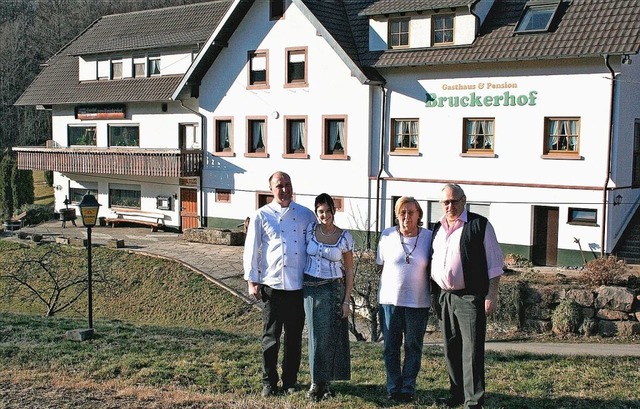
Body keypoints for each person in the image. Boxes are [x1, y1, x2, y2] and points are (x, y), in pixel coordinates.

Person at [430, 183, 504, 409]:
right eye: (446, 202)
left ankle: (473, 401)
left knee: (471, 351)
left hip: (470, 297)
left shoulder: (479, 225)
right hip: (444, 296)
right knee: (451, 348)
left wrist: (491, 295)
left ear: (464, 200)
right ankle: (456, 394)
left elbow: (495, 264)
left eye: (454, 201)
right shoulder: (437, 228)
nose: (450, 205)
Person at [243, 171, 316, 397]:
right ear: (271, 190)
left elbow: (314, 246)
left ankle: (290, 381)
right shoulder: (261, 215)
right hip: (272, 286)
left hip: (297, 286)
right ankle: (269, 382)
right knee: (270, 338)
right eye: (279, 186)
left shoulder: (306, 215)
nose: (284, 189)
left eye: (287, 184)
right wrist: (252, 280)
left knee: (294, 338)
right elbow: (251, 249)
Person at [376, 196, 433, 403]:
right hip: (390, 301)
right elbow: (380, 265)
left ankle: (408, 387)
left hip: (417, 302)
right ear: (396, 215)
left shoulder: (429, 237)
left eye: (411, 212)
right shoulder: (387, 235)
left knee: (413, 346)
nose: (406, 217)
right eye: (402, 212)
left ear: (419, 215)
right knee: (390, 347)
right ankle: (393, 387)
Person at [303, 193, 355, 401]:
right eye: (320, 211)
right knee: (316, 336)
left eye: (328, 210)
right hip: (310, 287)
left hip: (333, 288)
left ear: (334, 210)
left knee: (332, 337)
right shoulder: (309, 231)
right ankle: (316, 381)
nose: (325, 215)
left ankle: (326, 383)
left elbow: (349, 270)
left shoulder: (345, 237)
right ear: (317, 213)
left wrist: (346, 300)